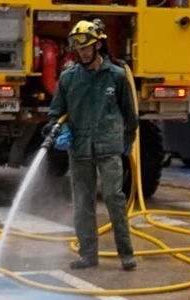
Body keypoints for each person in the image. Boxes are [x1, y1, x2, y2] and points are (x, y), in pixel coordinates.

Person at [48, 20, 138, 271]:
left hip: (109, 147)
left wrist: (128, 140)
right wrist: (62, 131)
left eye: (87, 47)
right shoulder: (68, 79)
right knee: (83, 203)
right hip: (79, 149)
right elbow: (56, 114)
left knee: (114, 198)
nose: (83, 53)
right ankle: (88, 255)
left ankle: (126, 254)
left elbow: (130, 114)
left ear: (98, 45)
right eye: (79, 49)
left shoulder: (117, 77)